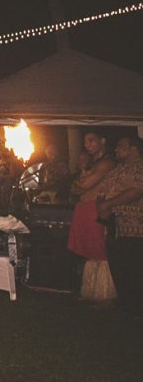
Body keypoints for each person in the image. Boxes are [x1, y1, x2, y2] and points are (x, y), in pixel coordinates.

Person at [98, 136, 143, 317]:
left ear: (133, 149)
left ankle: (137, 306)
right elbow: (103, 190)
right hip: (115, 226)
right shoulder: (118, 169)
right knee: (119, 266)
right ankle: (125, 304)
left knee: (134, 268)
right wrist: (101, 206)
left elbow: (136, 190)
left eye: (120, 146)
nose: (116, 149)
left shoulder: (140, 167)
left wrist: (109, 204)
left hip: (136, 229)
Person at [68, 131, 119, 292]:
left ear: (102, 140)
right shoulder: (92, 163)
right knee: (89, 250)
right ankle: (90, 289)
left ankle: (104, 293)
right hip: (85, 207)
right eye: (85, 142)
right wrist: (79, 185)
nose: (87, 145)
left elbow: (81, 186)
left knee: (99, 250)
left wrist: (79, 184)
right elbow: (75, 188)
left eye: (91, 141)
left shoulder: (107, 163)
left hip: (96, 208)